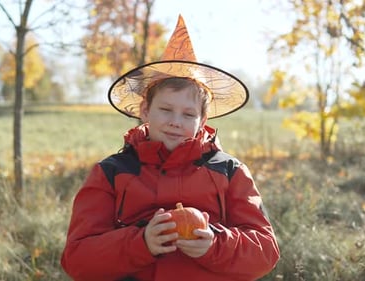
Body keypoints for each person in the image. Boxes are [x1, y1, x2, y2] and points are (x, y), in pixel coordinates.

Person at [61, 15, 280, 281]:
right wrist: (141, 242)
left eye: (188, 115)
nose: (176, 122)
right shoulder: (111, 172)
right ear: (145, 110)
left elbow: (266, 252)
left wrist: (214, 244)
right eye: (165, 109)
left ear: (203, 121)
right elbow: (77, 259)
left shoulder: (230, 171)